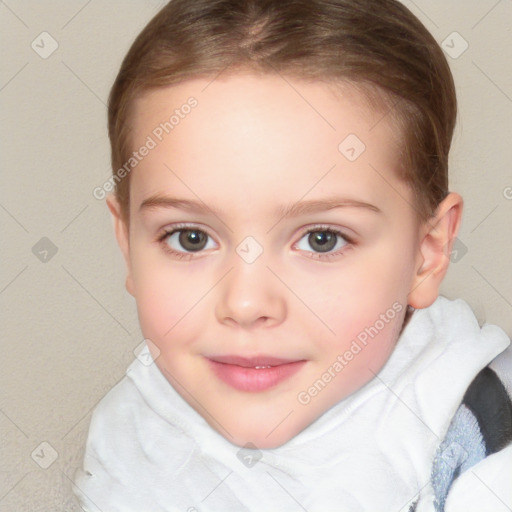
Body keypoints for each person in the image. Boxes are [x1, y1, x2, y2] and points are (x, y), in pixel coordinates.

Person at [74, 0, 512, 510]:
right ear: (127, 245)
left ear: (427, 252)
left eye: (322, 239)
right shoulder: (131, 432)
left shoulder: (484, 440)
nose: (245, 303)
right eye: (190, 238)